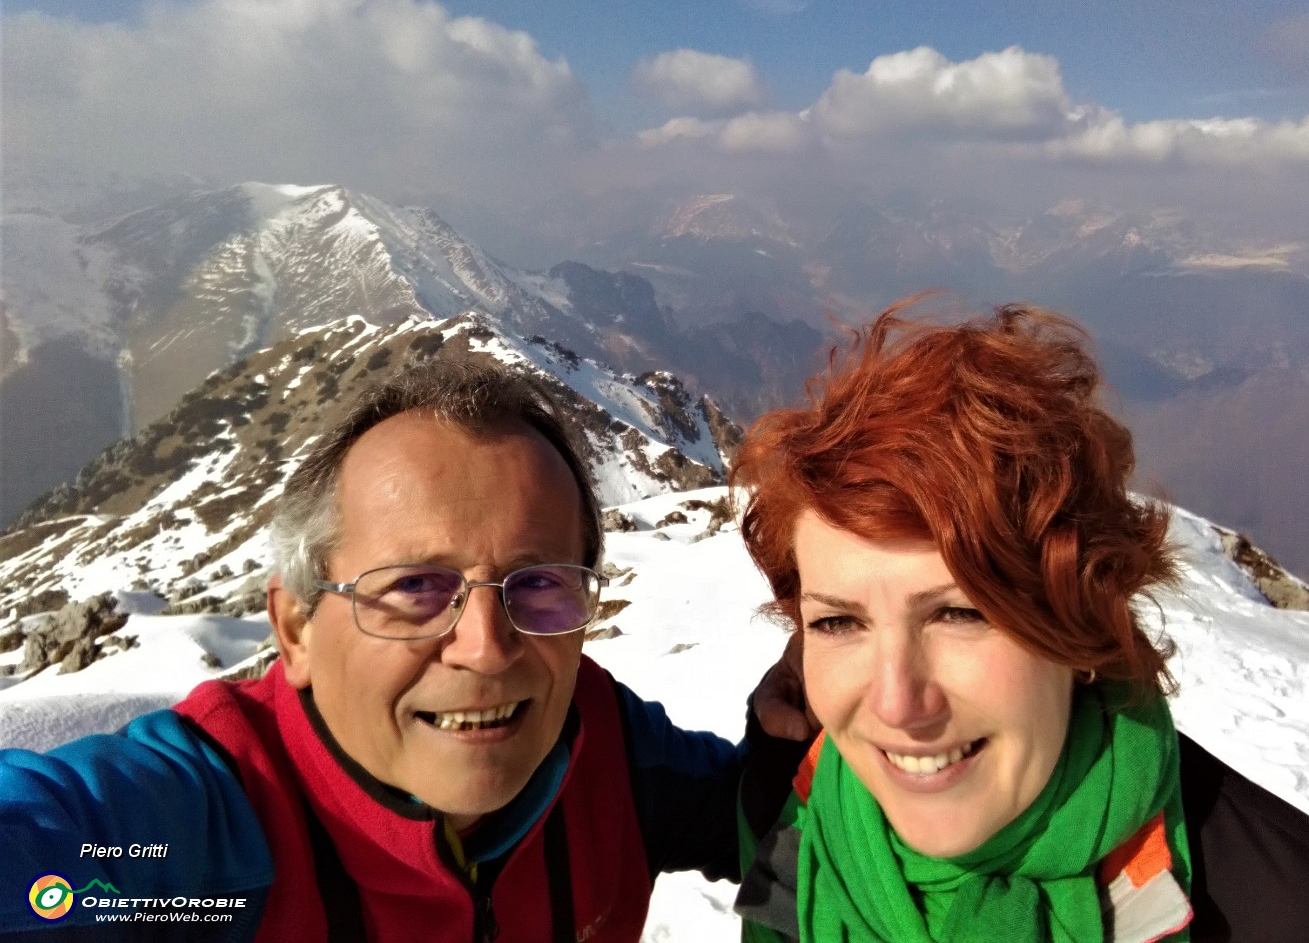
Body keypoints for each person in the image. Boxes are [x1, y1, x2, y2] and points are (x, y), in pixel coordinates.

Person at [0, 360, 804, 941]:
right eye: (416, 587)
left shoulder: (605, 746)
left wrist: (793, 738)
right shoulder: (196, 828)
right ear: (296, 629)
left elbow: (761, 826)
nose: (487, 649)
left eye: (539, 583)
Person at [730, 301, 1309, 943]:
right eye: (839, 624)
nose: (898, 703)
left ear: (1078, 630)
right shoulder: (798, 825)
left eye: (962, 613)